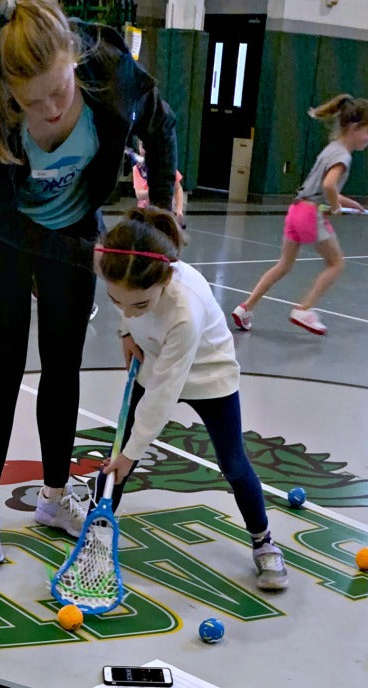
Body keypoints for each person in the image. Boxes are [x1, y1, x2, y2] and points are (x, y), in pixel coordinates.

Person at [0, 0, 178, 566]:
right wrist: (87, 255)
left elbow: (161, 122)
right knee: (1, 363)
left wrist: (165, 219)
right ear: (9, 94)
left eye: (61, 89)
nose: (52, 109)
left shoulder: (109, 67)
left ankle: (55, 497)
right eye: (34, 101)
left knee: (63, 362)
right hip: (0, 234)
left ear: (74, 60)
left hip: (72, 227)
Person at [93, 207, 288, 591]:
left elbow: (165, 392)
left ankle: (264, 542)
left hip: (208, 374)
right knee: (118, 455)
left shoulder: (184, 311)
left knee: (232, 463)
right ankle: (98, 529)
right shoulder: (125, 276)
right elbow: (128, 308)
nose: (127, 310)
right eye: (118, 302)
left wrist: (133, 452)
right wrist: (125, 332)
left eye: (139, 305)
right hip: (156, 359)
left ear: (165, 279)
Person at [232, 94, 368, 336]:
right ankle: (304, 309)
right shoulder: (343, 156)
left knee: (283, 264)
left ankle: (246, 307)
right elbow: (330, 186)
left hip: (296, 210)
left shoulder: (331, 149)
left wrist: (350, 202)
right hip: (312, 215)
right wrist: (335, 206)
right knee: (336, 263)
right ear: (354, 127)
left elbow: (322, 186)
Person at [128, 139, 185, 219]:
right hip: (145, 213)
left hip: (165, 211)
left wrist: (179, 210)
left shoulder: (167, 167)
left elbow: (178, 188)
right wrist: (159, 191)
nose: (147, 149)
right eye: (143, 146)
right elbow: (139, 195)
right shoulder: (137, 169)